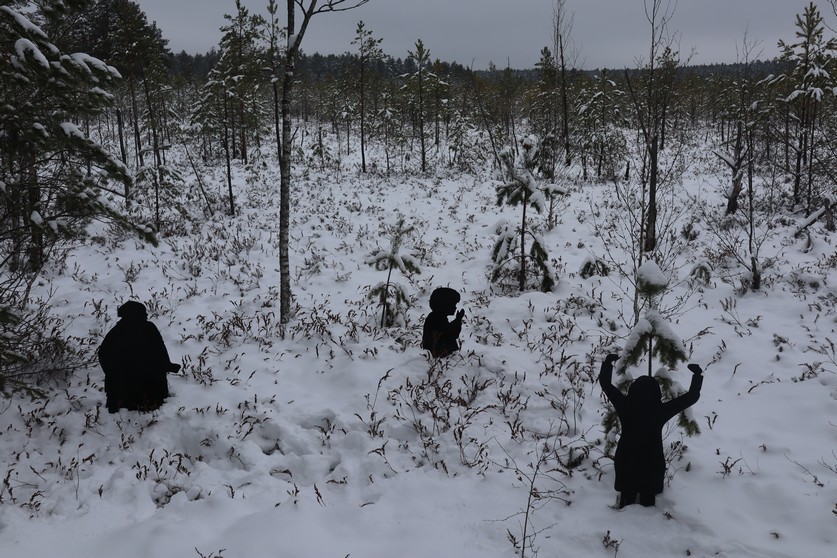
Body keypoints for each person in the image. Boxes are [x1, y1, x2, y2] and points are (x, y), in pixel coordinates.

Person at [599, 353, 703, 508]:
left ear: (633, 391)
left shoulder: (625, 405)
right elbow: (691, 397)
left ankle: (622, 515)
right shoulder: (660, 410)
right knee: (648, 503)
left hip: (627, 461)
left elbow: (606, 385)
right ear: (656, 393)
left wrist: (607, 363)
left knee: (626, 499)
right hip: (651, 464)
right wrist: (697, 375)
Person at [98, 301, 180, 413]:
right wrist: (116, 375)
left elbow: (160, 351)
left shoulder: (147, 328)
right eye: (143, 313)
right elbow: (104, 356)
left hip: (147, 383)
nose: (146, 315)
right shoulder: (118, 333)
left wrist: (168, 365)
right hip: (128, 386)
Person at [421, 287, 465, 358]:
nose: (455, 307)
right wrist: (457, 320)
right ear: (445, 304)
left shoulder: (438, 317)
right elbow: (451, 334)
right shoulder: (436, 318)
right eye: (453, 305)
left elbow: (448, 332)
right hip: (439, 357)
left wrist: (458, 320)